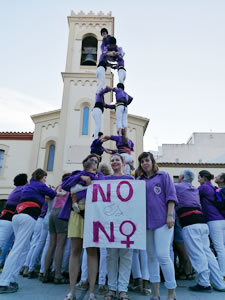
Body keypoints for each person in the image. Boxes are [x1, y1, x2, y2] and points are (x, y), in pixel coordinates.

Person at [0, 169, 56, 294]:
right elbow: (53, 193)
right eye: (44, 178)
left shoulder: (29, 186)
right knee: (18, 249)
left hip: (17, 216)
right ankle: (3, 282)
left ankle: (12, 279)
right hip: (28, 217)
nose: (45, 180)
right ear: (41, 177)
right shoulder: (39, 185)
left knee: (24, 248)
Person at [60, 154, 104, 300]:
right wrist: (81, 178)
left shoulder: (100, 177)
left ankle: (91, 291)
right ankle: (71, 291)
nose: (93, 162)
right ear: (84, 163)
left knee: (92, 251)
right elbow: (65, 185)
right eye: (90, 160)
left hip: (93, 215)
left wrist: (90, 179)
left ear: (97, 165)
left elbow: (102, 188)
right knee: (75, 250)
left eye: (96, 161)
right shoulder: (76, 174)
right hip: (76, 214)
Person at [175, 169, 225, 292]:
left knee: (197, 253)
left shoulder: (178, 187)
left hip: (190, 223)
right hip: (202, 223)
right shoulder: (195, 189)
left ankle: (204, 283)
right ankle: (219, 283)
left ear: (181, 177)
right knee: (207, 253)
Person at [137, 152, 177, 300]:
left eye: (147, 160)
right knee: (151, 257)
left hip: (163, 221)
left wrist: (170, 215)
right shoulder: (139, 180)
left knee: (163, 255)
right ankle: (155, 293)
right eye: (142, 162)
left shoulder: (163, 176)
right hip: (146, 224)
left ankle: (172, 293)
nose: (144, 163)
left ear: (152, 161)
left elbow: (171, 196)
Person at [104, 153, 134, 300]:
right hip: (111, 224)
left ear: (123, 163)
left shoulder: (131, 179)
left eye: (117, 160)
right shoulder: (105, 180)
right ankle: (111, 289)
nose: (114, 162)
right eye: (112, 160)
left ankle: (123, 289)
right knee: (111, 256)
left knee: (126, 256)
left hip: (127, 224)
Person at [42, 174, 70, 284]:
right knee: (60, 245)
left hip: (53, 213)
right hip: (61, 213)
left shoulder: (59, 186)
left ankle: (44, 273)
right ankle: (57, 275)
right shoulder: (69, 186)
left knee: (51, 244)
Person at [198, 170, 225, 279]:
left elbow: (191, 193)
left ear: (204, 178)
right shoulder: (213, 187)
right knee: (221, 247)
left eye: (199, 177)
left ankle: (222, 273)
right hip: (221, 220)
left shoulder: (204, 187)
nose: (198, 180)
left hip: (214, 221)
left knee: (219, 248)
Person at [0, 173, 28, 248]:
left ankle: (2, 260)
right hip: (9, 220)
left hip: (5, 218)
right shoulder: (22, 189)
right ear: (25, 181)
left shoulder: (15, 190)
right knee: (3, 243)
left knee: (7, 243)